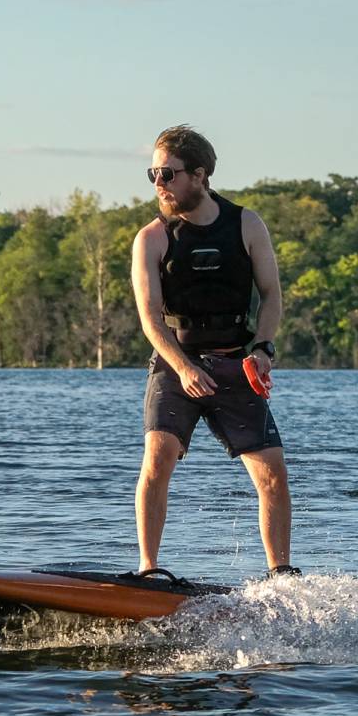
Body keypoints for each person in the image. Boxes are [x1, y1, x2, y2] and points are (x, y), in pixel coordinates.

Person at [130, 124, 297, 578]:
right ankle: (149, 572)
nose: (158, 183)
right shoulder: (153, 238)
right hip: (173, 363)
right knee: (158, 457)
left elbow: (271, 294)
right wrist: (183, 368)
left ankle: (280, 576)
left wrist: (263, 348)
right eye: (153, 174)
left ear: (200, 176)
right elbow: (149, 317)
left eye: (168, 173)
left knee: (273, 475)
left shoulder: (246, 224)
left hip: (235, 363)